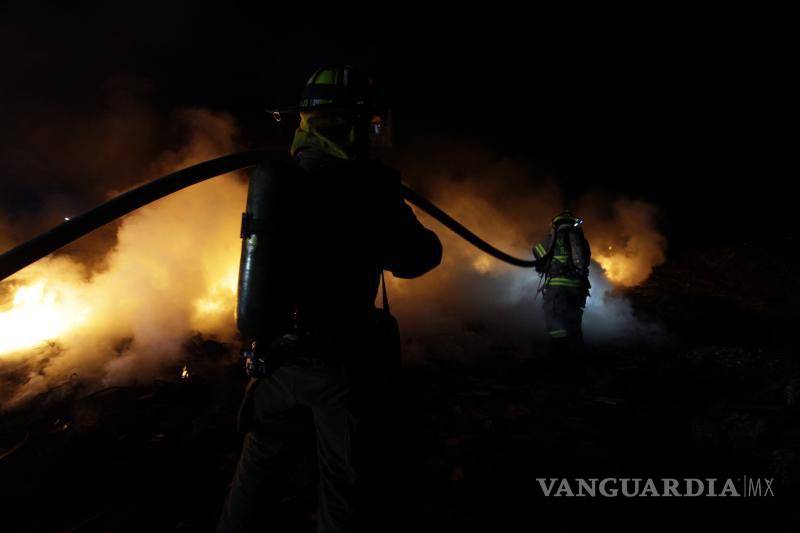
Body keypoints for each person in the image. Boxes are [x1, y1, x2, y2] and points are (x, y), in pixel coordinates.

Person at [217, 65, 442, 533]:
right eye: (370, 124)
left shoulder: (283, 178)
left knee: (257, 474)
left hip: (275, 361)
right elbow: (419, 257)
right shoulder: (367, 186)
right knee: (346, 488)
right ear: (354, 123)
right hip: (339, 365)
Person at [532, 210, 591, 355]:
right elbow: (587, 261)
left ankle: (561, 354)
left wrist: (545, 266)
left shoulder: (551, 239)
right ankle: (578, 353)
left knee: (555, 320)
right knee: (573, 319)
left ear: (556, 223)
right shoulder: (582, 241)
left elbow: (537, 255)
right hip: (578, 288)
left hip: (557, 288)